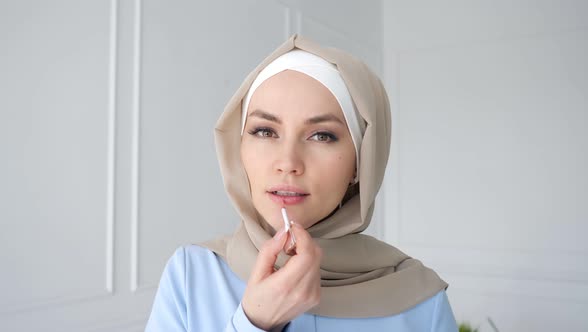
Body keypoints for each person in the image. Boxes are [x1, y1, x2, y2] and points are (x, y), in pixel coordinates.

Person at [145, 34, 458, 331]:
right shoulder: (191, 273)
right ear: (239, 149)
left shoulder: (420, 300)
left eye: (322, 136)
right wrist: (254, 322)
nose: (288, 163)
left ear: (360, 163)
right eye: (265, 131)